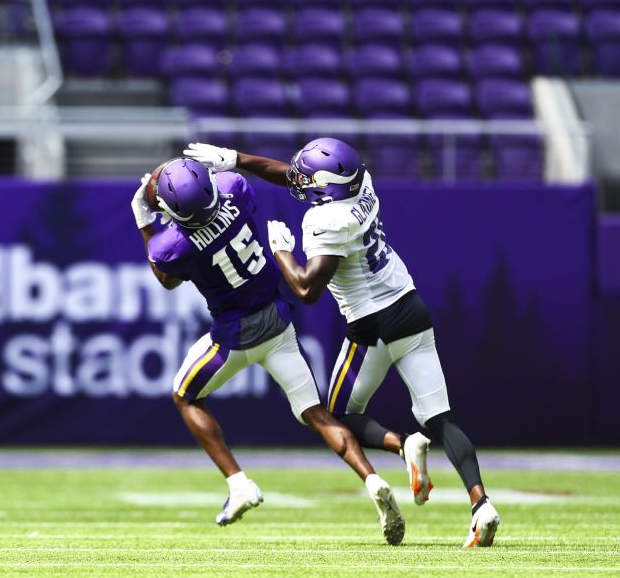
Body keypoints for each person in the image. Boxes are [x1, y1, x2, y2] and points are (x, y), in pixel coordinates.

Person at [183, 139, 501, 548]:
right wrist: (238, 160)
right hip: (409, 304)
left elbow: (306, 288)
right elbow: (297, 178)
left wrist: (281, 252)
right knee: (441, 418)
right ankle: (481, 504)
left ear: (327, 187)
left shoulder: (326, 222)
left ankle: (403, 446)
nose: (301, 180)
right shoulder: (361, 183)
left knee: (334, 416)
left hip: (370, 324)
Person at [132, 156, 406, 545]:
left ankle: (239, 483)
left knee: (185, 395)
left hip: (234, 335)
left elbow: (166, 277)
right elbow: (221, 188)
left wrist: (145, 217)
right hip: (278, 321)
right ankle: (372, 477)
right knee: (316, 413)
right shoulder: (235, 190)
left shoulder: (173, 243)